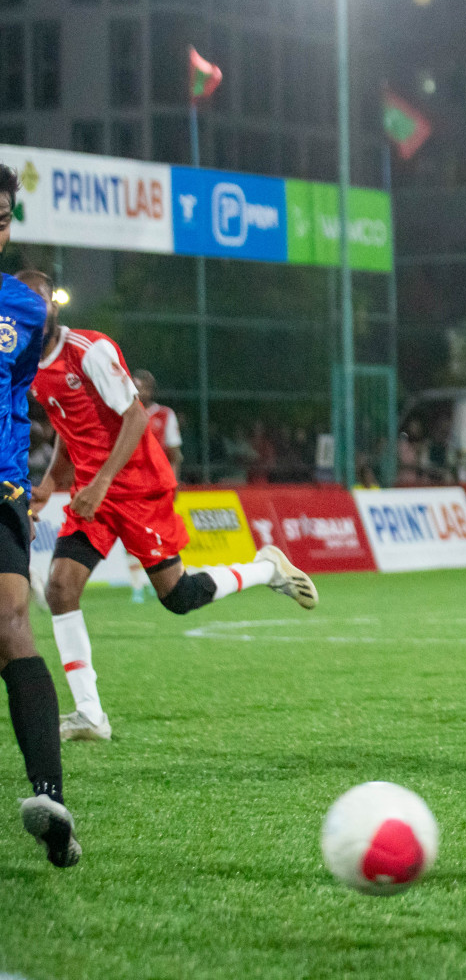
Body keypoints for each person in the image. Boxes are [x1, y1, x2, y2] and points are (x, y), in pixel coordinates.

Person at [23, 272, 319, 743]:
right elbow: (67, 426)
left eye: (40, 303)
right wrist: (50, 483)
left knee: (178, 597)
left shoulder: (89, 350)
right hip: (94, 496)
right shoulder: (30, 368)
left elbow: (136, 416)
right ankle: (89, 714)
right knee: (61, 588)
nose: (32, 313)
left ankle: (267, 569)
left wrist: (99, 483)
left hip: (137, 488)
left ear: (54, 308)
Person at [0, 170, 79, 867]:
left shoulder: (22, 309)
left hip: (0, 490)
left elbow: (21, 389)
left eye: (1, 218)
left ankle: (49, 797)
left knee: (11, 624)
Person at [125, 369, 180, 602]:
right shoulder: (124, 413)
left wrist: (173, 484)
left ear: (152, 390)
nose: (138, 391)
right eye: (134, 385)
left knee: (160, 535)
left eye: (143, 386)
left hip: (157, 486)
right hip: (129, 486)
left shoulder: (165, 415)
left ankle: (168, 579)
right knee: (130, 537)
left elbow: (176, 455)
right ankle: (137, 586)